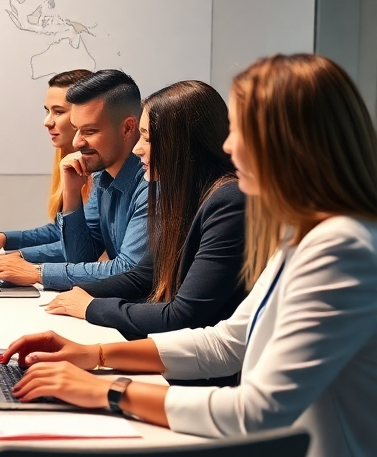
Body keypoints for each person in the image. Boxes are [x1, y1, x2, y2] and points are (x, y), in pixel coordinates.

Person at [2, 53, 377, 457]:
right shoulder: (304, 237)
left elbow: (256, 411)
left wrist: (110, 393)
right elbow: (227, 342)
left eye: (241, 134)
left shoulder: (342, 249)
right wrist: (92, 356)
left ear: (288, 143)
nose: (227, 148)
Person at [44, 80, 246, 340]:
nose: (137, 149)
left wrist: (91, 307)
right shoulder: (187, 194)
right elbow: (142, 275)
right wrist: (75, 292)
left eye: (148, 139)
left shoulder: (228, 201)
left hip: (202, 365)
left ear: (184, 144)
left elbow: (184, 314)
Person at [0, 69, 150, 291]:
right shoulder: (103, 174)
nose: (77, 141)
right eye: (76, 129)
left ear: (128, 128)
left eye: (89, 131)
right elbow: (82, 256)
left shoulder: (151, 183)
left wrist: (36, 271)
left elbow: (128, 270)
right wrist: (72, 194)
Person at [0, 68, 93, 265]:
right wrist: (5, 239)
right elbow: (61, 230)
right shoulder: (68, 161)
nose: (47, 122)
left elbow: (84, 246)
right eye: (47, 111)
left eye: (59, 111)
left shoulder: (101, 171)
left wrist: (17, 257)